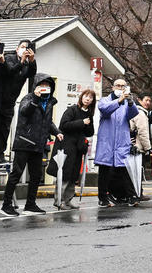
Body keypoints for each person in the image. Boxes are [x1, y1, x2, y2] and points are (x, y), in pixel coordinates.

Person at [1, 72, 61, 216]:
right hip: (24, 142)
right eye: (42, 85)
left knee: (36, 175)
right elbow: (24, 111)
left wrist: (57, 131)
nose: (45, 87)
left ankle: (30, 204)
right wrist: (35, 97)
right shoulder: (28, 98)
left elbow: (47, 121)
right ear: (36, 86)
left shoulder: (50, 102)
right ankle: (6, 205)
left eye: (48, 85)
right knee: (16, 173)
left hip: (39, 143)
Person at [94, 78, 140, 208]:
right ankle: (102, 198)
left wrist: (130, 103)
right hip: (107, 142)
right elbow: (105, 109)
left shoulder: (126, 102)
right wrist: (119, 101)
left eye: (123, 86)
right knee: (104, 171)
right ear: (113, 87)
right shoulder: (105, 100)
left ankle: (131, 196)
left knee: (124, 170)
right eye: (118, 86)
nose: (120, 88)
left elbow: (133, 114)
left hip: (121, 141)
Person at [55, 87, 97, 208]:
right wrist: (82, 123)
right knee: (65, 173)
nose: (88, 99)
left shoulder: (89, 114)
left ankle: (68, 199)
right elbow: (63, 125)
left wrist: (87, 124)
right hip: (67, 146)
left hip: (79, 147)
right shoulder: (72, 110)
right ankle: (59, 200)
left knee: (74, 175)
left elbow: (89, 132)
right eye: (86, 96)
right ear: (81, 97)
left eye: (90, 98)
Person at [0, 40, 38, 162]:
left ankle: (0, 153)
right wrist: (21, 61)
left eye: (27, 48)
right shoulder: (9, 58)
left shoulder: (27, 65)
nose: (24, 49)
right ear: (17, 49)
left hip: (10, 102)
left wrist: (31, 61)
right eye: (22, 47)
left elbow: (32, 73)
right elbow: (10, 71)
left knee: (5, 129)